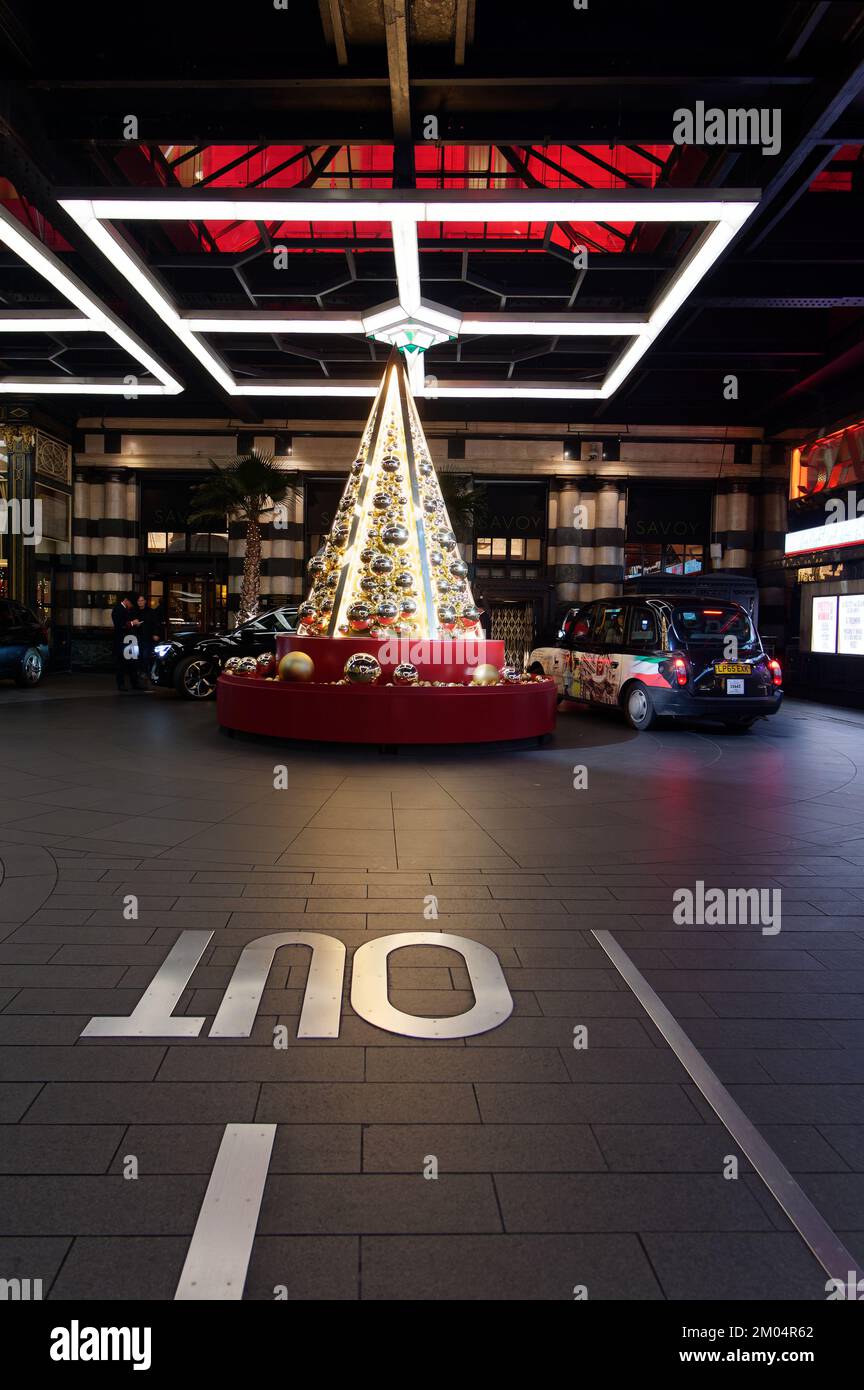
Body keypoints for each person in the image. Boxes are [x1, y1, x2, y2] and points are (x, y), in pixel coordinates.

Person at [110, 592, 142, 692]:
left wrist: (134, 623)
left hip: (130, 640)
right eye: (131, 603)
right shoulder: (118, 609)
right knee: (121, 663)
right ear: (126, 600)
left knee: (133, 663)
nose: (132, 606)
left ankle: (135, 683)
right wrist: (133, 623)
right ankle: (121, 684)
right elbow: (119, 625)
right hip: (122, 641)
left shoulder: (128, 609)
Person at [134, 594, 161, 685]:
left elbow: (156, 624)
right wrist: (135, 624)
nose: (140, 602)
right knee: (140, 655)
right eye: (139, 601)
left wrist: (156, 634)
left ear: (145, 601)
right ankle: (142, 672)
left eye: (142, 600)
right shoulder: (135, 612)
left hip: (148, 637)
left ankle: (146, 672)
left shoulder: (151, 611)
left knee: (146, 655)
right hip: (137, 637)